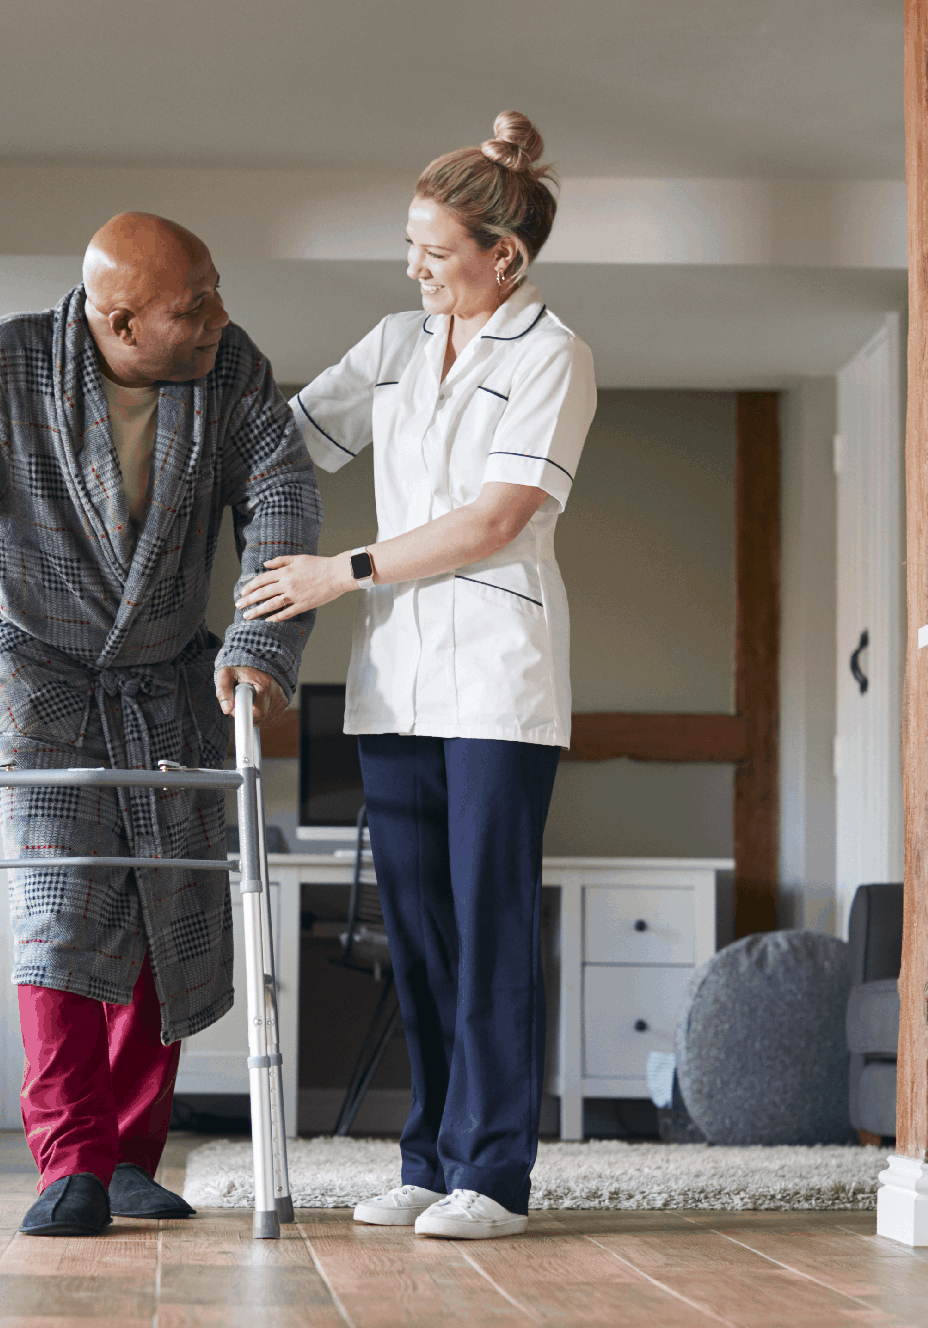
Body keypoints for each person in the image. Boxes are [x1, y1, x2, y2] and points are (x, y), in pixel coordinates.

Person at [0, 212, 320, 1238]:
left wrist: (258, 653)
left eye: (216, 289)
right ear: (119, 320)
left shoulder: (233, 372)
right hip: (43, 675)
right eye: (192, 305)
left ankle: (132, 1154)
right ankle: (71, 1159)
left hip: (169, 672)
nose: (220, 315)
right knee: (61, 905)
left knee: (165, 905)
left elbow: (283, 504)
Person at [236, 112, 596, 1241]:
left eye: (435, 252)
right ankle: (429, 1156)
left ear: (507, 256)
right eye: (411, 247)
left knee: (490, 928)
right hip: (393, 681)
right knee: (419, 932)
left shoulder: (553, 355)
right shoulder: (396, 342)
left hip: (497, 679)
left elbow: (495, 518)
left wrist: (338, 569)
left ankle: (494, 1174)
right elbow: (287, 436)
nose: (414, 269)